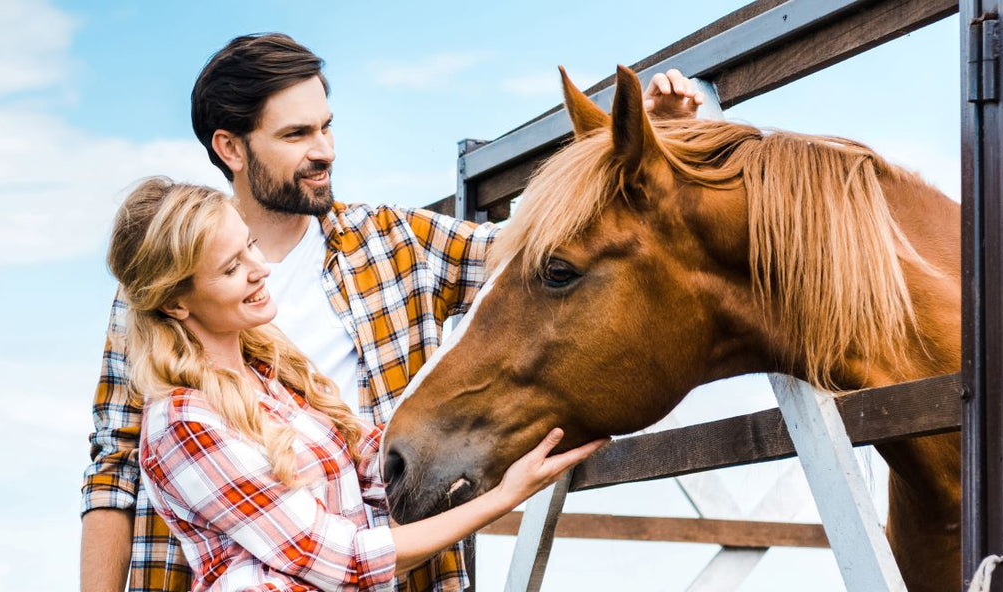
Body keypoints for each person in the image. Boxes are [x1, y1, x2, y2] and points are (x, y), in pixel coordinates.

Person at [79, 33, 704, 592]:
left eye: (326, 126)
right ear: (230, 148)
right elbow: (114, 466)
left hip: (401, 567)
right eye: (296, 135)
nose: (324, 150)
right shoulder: (155, 296)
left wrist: (647, 149)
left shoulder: (392, 240)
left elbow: (548, 253)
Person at [106, 177, 605, 592]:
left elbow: (378, 472)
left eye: (250, 247)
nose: (261, 270)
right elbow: (340, 559)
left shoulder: (276, 379)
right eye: (232, 268)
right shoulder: (183, 421)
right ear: (176, 303)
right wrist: (504, 497)